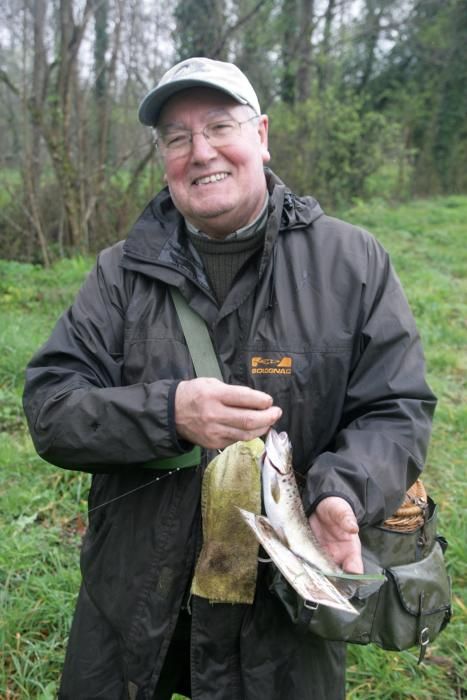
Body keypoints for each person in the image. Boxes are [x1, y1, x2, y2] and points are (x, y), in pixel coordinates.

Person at [23, 57, 436, 700]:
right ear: (164, 156)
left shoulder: (353, 263)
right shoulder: (117, 275)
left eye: (220, 125)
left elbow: (396, 407)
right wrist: (168, 413)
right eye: (177, 137)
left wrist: (341, 495)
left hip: (282, 611)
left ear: (262, 135)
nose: (201, 151)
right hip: (133, 603)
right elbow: (51, 408)